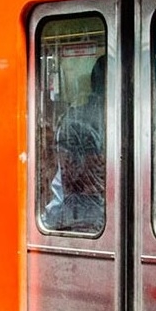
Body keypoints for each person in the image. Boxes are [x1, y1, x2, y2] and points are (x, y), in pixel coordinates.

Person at [43, 55, 106, 232]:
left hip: (75, 219)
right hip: (91, 219)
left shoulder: (71, 121)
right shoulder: (128, 122)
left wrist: (49, 220)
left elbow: (60, 183)